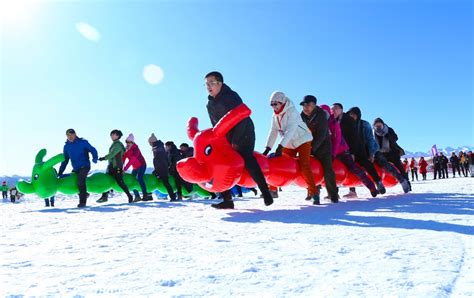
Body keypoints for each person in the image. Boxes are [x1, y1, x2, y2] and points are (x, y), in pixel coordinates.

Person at [205, 71, 273, 209]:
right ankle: (227, 200)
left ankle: (266, 192)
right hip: (227, 136)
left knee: (246, 157)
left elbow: (241, 117)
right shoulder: (209, 104)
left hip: (245, 132)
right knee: (218, 162)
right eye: (206, 84)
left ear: (220, 83)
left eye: (211, 83)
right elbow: (215, 126)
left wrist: (236, 141)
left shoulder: (231, 96)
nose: (208, 86)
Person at [264, 91, 319, 204]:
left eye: (276, 103)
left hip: (303, 139)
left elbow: (291, 130)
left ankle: (314, 192)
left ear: (283, 102)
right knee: (278, 161)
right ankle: (273, 189)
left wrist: (280, 147)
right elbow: (273, 131)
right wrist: (268, 148)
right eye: (272, 104)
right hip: (289, 142)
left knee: (304, 164)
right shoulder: (275, 116)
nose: (274, 106)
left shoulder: (292, 111)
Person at [347, 107, 409, 194]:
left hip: (370, 149)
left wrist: (372, 153)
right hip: (356, 151)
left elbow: (370, 140)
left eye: (353, 114)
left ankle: (401, 180)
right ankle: (352, 191)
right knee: (351, 166)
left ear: (358, 115)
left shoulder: (364, 124)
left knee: (383, 163)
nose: (351, 116)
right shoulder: (347, 125)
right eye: (350, 114)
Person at [324, 104, 378, 197]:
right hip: (331, 152)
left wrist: (335, 153)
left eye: (326, 113)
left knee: (354, 168)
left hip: (342, 151)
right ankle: (332, 193)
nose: (325, 115)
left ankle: (371, 186)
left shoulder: (335, 123)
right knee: (330, 171)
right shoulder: (322, 124)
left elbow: (338, 140)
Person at [300, 95, 339, 203]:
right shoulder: (301, 117)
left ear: (314, 105)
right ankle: (314, 194)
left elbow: (322, 134)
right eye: (303, 105)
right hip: (308, 145)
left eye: (308, 105)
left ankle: (333, 195)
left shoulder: (321, 115)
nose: (305, 107)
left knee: (327, 170)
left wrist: (312, 148)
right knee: (309, 168)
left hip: (323, 146)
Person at [58, 128, 98, 208]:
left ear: (75, 134)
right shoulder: (66, 146)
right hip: (76, 168)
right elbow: (65, 160)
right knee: (73, 180)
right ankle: (85, 194)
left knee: (80, 181)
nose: (70, 136)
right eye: (68, 135)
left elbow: (93, 150)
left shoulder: (83, 142)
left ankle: (82, 202)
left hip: (85, 166)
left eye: (71, 134)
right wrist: (60, 172)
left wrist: (95, 158)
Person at [97, 130, 134, 203]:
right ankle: (104, 196)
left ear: (118, 136)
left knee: (119, 182)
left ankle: (129, 196)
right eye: (111, 134)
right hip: (111, 166)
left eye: (114, 134)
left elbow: (112, 154)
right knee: (106, 180)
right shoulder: (114, 144)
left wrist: (104, 158)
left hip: (117, 166)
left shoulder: (118, 145)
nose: (112, 136)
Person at [372, 118, 411, 190]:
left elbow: (395, 138)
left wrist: (387, 135)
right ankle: (378, 186)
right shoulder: (373, 133)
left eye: (379, 125)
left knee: (399, 166)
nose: (378, 127)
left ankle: (407, 183)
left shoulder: (388, 129)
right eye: (376, 126)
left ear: (382, 125)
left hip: (391, 152)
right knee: (376, 167)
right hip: (380, 154)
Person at [122, 133, 151, 202]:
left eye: (129, 142)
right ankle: (137, 196)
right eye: (126, 142)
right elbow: (123, 158)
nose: (127, 143)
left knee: (139, 177)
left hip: (142, 165)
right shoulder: (126, 149)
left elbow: (132, 160)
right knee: (132, 179)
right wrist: (122, 166)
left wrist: (125, 169)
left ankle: (145, 194)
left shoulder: (136, 149)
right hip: (135, 167)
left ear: (132, 142)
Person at [149, 134, 176, 201]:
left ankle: (172, 197)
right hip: (161, 168)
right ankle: (172, 196)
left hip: (162, 169)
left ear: (152, 142)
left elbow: (160, 160)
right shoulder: (158, 147)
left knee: (166, 182)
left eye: (149, 142)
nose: (149, 144)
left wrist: (158, 170)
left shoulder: (158, 148)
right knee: (164, 182)